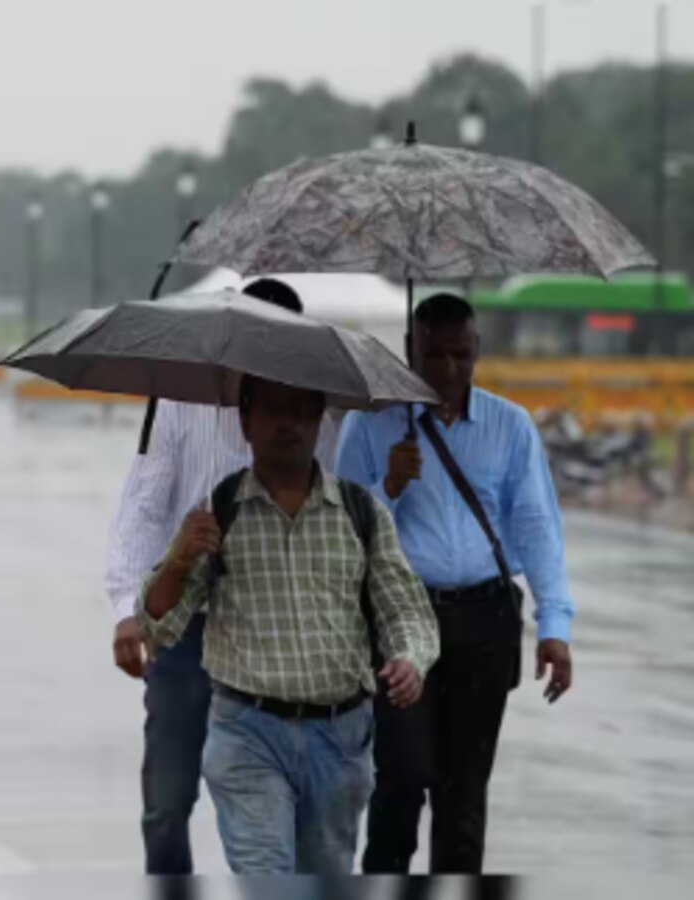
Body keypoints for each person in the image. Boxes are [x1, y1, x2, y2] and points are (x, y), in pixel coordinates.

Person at [138, 376, 439, 874]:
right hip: (247, 735)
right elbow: (159, 627)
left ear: (320, 419)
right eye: (276, 410)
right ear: (246, 422)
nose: (290, 423)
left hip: (340, 739)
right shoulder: (219, 514)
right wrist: (177, 558)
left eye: (303, 410)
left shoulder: (362, 511)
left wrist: (409, 658)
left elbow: (404, 608)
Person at [334, 293, 575, 877]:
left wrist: (554, 625)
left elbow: (537, 524)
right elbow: (338, 529)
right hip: (400, 621)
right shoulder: (369, 424)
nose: (447, 370)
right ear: (410, 351)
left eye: (460, 356)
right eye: (434, 355)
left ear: (477, 352)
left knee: (464, 791)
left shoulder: (510, 426)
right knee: (401, 778)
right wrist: (387, 484)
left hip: (485, 618)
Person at [106, 278, 337, 876]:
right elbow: (142, 508)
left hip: (282, 636)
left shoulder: (320, 414)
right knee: (167, 802)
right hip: (187, 633)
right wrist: (125, 612)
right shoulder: (180, 403)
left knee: (284, 805)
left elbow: (344, 513)